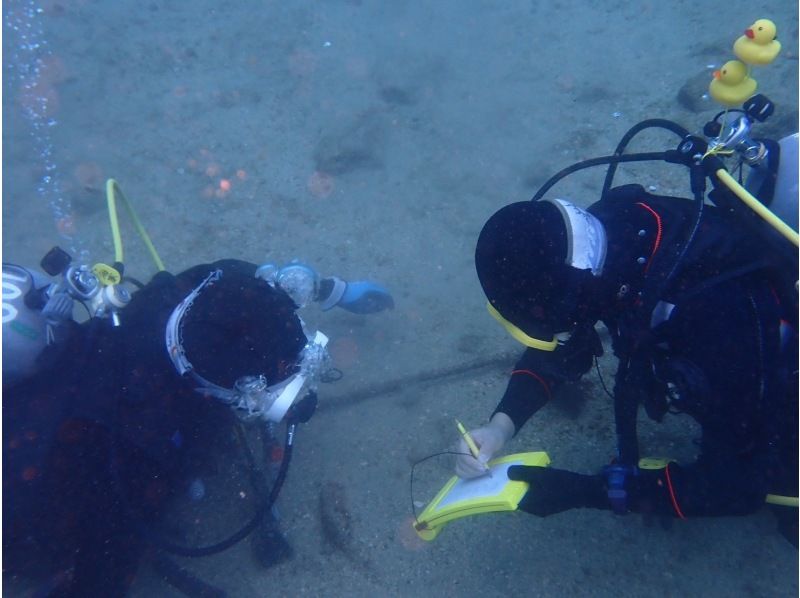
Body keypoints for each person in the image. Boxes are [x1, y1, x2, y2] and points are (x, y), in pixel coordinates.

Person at [455, 121, 798, 542]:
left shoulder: (711, 323)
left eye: (546, 315)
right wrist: (499, 427)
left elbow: (736, 490)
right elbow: (563, 348)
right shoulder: (607, 239)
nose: (551, 330)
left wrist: (589, 493)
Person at [3, 252, 393, 596]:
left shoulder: (205, 285)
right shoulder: (128, 465)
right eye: (271, 398)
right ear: (232, 394)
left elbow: (267, 280)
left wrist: (332, 290)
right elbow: (101, 577)